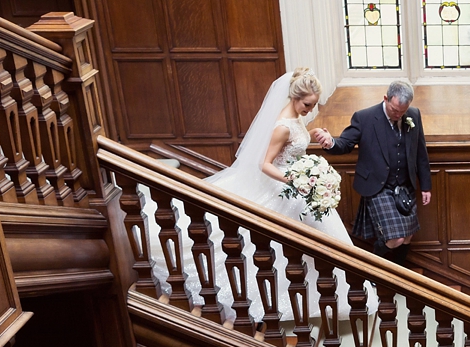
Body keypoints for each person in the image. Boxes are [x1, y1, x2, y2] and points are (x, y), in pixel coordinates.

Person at [146, 68, 373, 327]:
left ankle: (332, 299)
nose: (310, 110)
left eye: (313, 105)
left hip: (298, 186)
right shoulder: (281, 127)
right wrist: (294, 180)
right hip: (285, 187)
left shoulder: (296, 119)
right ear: (294, 98)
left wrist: (311, 153)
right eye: (307, 105)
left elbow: (293, 151)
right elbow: (265, 164)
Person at [319, 80, 431, 266]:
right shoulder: (365, 117)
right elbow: (345, 144)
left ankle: (398, 272)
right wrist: (330, 143)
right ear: (386, 98)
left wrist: (426, 185)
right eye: (395, 110)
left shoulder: (414, 115)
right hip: (379, 187)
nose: (399, 115)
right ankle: (372, 268)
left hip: (405, 186)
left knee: (408, 235)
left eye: (403, 111)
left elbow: (420, 151)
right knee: (395, 239)